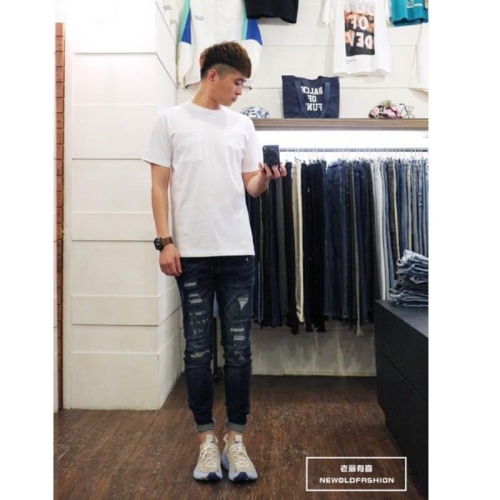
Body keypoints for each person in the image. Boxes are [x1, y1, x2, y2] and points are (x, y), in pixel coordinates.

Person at [141, 41, 286, 482]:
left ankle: (235, 441)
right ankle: (206, 440)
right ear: (212, 76)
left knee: (239, 350)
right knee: (198, 351)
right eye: (238, 82)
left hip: (238, 251)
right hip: (192, 256)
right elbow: (159, 186)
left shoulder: (243, 125)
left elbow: (250, 186)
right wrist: (165, 241)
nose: (241, 91)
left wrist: (265, 179)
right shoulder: (170, 120)